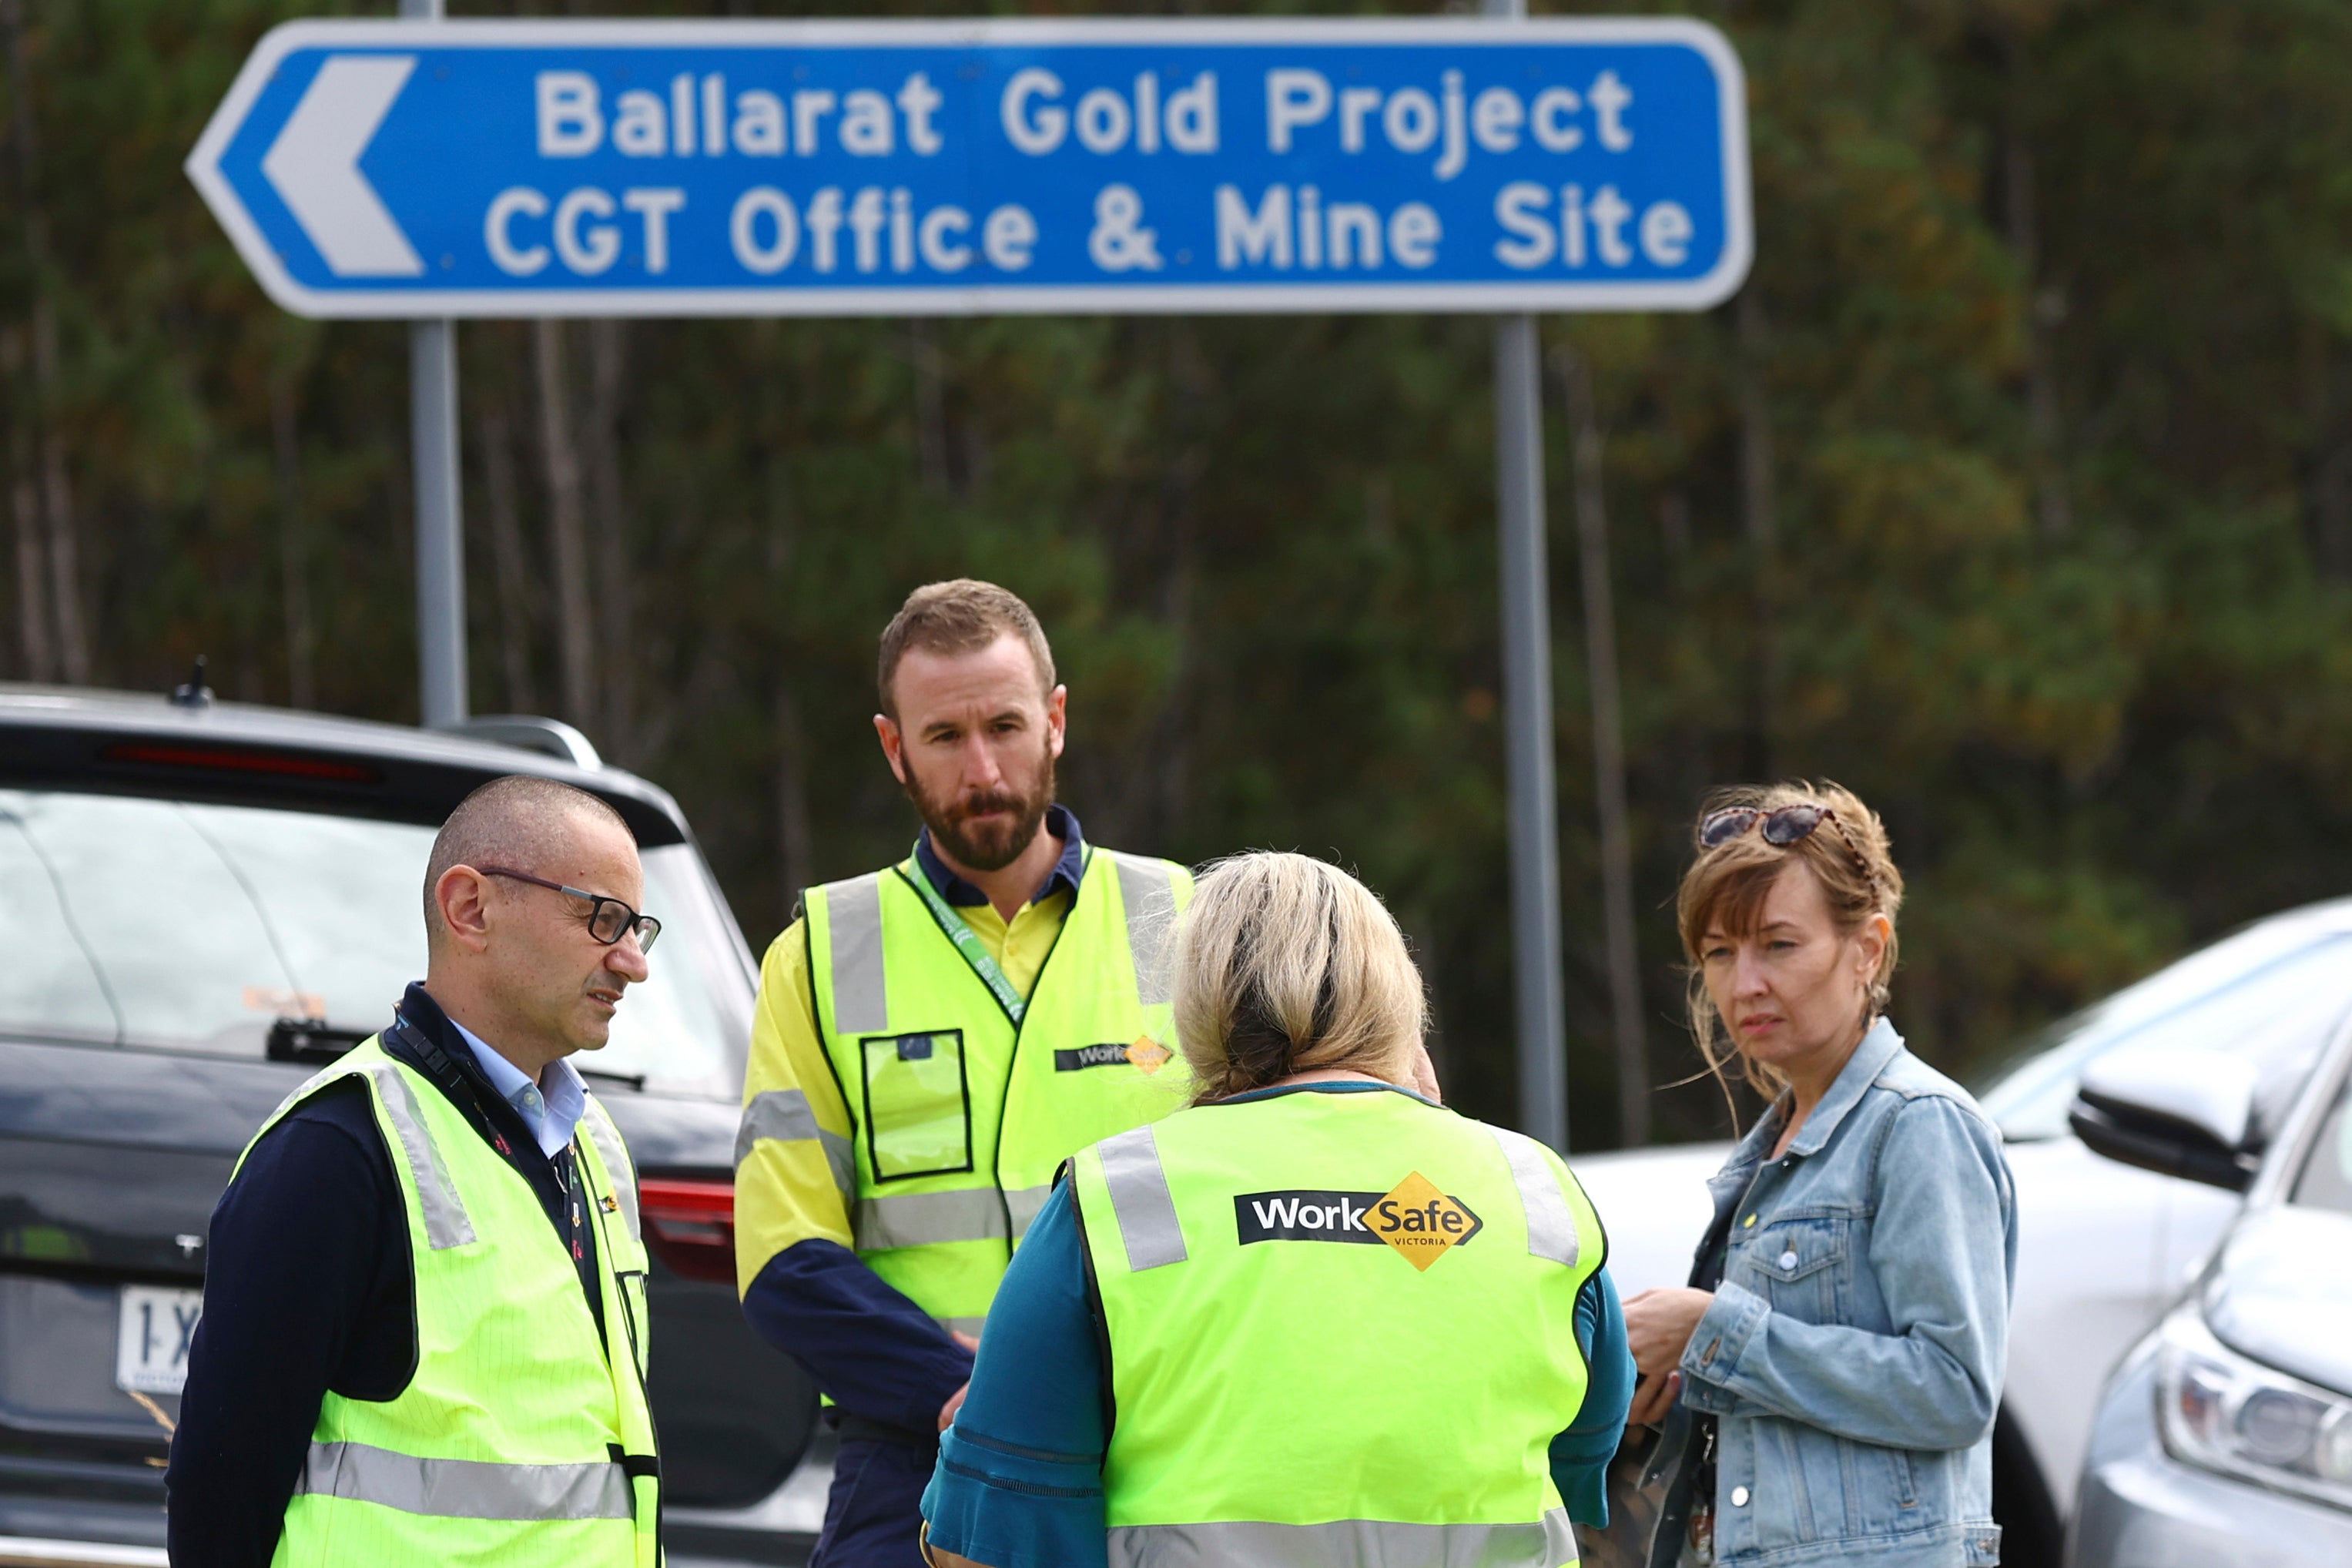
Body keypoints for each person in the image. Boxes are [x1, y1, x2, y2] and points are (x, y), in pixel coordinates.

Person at [919, 851, 1636, 1568]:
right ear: (1395, 997)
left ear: (1199, 1001)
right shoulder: (1534, 1188)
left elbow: (990, 1539)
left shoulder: (1119, 1194)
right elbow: (1578, 1467)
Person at [734, 580, 1197, 1567]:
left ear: (1056, 721)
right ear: (894, 747)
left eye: (1006, 725)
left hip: (1161, 1441)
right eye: (945, 736)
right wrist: (969, 1391)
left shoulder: (1188, 919)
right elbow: (784, 1260)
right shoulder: (818, 954)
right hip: (914, 1461)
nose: (983, 768)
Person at [166, 775, 665, 1567]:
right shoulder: (337, 1147)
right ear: (470, 908)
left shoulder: (594, 1144)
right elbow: (221, 1495)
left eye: (638, 926)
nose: (632, 961)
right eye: (602, 917)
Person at [1620, 782, 2015, 1568]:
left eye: (1779, 944)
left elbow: (1953, 1389)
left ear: (1866, 947)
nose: (1743, 985)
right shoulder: (1776, 1147)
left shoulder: (1918, 1124)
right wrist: (1656, 1399)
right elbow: (1792, 1418)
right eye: (1720, 953)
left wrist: (1710, 1331)